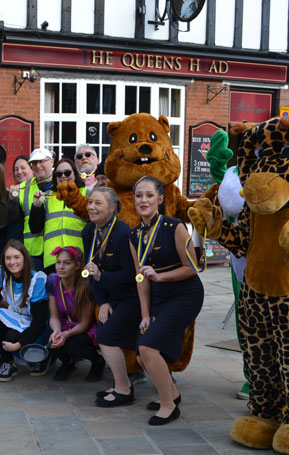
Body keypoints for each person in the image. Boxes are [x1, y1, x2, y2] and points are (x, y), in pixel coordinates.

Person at [129, 176, 204, 425]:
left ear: (160, 199)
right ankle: (172, 392)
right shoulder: (134, 236)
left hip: (186, 294)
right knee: (142, 356)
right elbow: (141, 279)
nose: (143, 200)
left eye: (149, 195)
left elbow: (191, 268)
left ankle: (168, 406)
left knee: (148, 348)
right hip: (160, 298)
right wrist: (144, 315)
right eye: (139, 195)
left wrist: (160, 277)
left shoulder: (175, 227)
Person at [84, 187, 140, 407]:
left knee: (106, 337)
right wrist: (103, 301)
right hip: (110, 296)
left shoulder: (124, 234)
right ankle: (120, 385)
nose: (91, 207)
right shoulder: (89, 231)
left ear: (113, 207)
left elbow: (130, 275)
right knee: (105, 334)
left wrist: (102, 277)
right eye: (90, 202)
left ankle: (124, 390)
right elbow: (90, 270)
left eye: (98, 203)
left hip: (131, 296)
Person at [0, 240, 49, 381]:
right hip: (17, 317)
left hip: (35, 322)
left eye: (16, 257)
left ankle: (40, 356)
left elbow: (39, 322)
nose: (12, 262)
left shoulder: (36, 280)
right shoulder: (2, 274)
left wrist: (18, 345)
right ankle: (9, 362)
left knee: (12, 337)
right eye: (8, 258)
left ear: (25, 258)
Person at [46, 246, 104, 382]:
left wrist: (66, 334)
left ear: (77, 265)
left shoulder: (85, 284)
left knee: (73, 345)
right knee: (51, 341)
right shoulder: (53, 281)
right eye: (58, 262)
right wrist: (57, 331)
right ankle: (69, 363)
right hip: (64, 324)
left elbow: (85, 323)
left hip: (85, 327)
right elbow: (54, 316)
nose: (61, 267)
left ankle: (98, 361)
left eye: (67, 263)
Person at [29, 157, 87, 272]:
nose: (63, 176)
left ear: (75, 173)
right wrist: (36, 206)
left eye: (67, 172)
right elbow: (35, 228)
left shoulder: (87, 194)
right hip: (53, 260)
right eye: (59, 174)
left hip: (78, 259)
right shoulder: (46, 196)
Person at [10, 148, 54, 271]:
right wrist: (13, 200)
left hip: (57, 250)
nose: (38, 166)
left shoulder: (61, 183)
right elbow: (14, 220)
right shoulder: (22, 188)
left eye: (42, 161)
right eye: (34, 163)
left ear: (52, 162)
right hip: (34, 253)